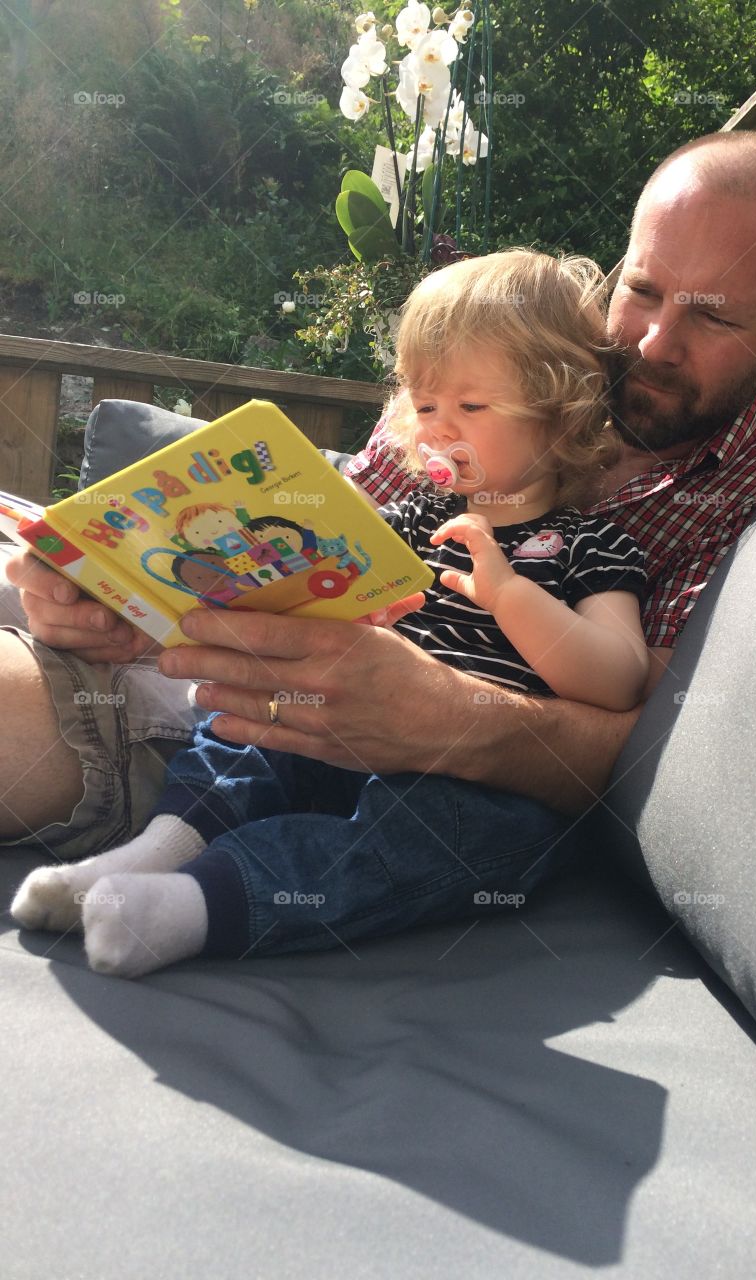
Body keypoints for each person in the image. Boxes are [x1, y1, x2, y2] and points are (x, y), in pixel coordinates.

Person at [0, 130, 756, 868]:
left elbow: (660, 746)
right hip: (227, 655)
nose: (653, 343)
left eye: (715, 319)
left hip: (287, 747)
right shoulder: (516, 354)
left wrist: (454, 716)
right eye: (645, 291)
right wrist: (113, 597)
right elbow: (319, 532)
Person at [12, 249, 649, 976]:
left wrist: (509, 594)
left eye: (471, 407)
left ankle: (199, 904)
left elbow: (618, 679)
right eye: (428, 405)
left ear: (560, 409)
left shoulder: (592, 545)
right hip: (339, 728)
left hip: (479, 782)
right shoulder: (414, 517)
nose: (440, 430)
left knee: (438, 841)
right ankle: (152, 853)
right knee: (247, 731)